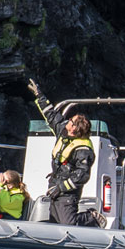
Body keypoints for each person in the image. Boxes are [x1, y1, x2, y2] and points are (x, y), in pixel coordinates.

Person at [29, 79, 100, 226]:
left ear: (74, 130)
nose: (67, 121)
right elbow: (51, 115)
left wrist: (61, 188)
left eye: (71, 122)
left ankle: (91, 217)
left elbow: (82, 175)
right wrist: (39, 95)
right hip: (55, 185)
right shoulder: (63, 131)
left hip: (68, 193)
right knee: (55, 223)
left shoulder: (83, 149)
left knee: (69, 224)